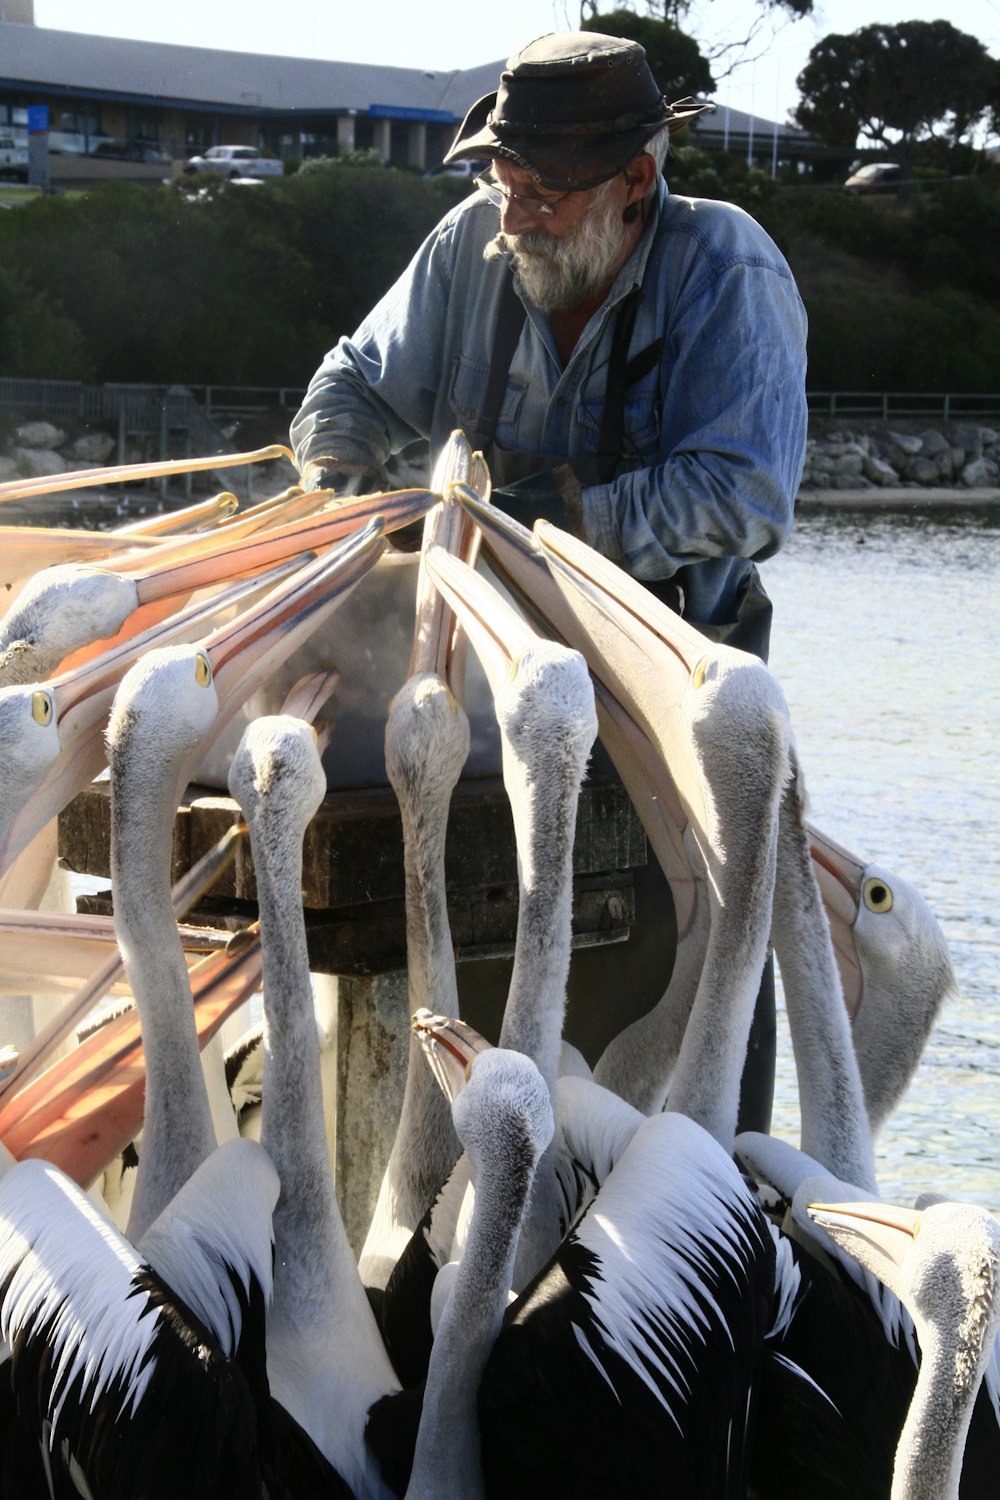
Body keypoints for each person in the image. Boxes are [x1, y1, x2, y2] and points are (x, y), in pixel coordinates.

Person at [290, 30, 809, 1129]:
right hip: (486, 721)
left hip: (670, 732)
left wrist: (552, 527)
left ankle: (715, 1202)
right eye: (503, 179)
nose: (516, 213)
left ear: (636, 181)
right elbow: (348, 387)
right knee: (495, 1062)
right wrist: (342, 499)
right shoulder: (465, 248)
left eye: (547, 192)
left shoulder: (728, 269)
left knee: (692, 1080)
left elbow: (749, 493)